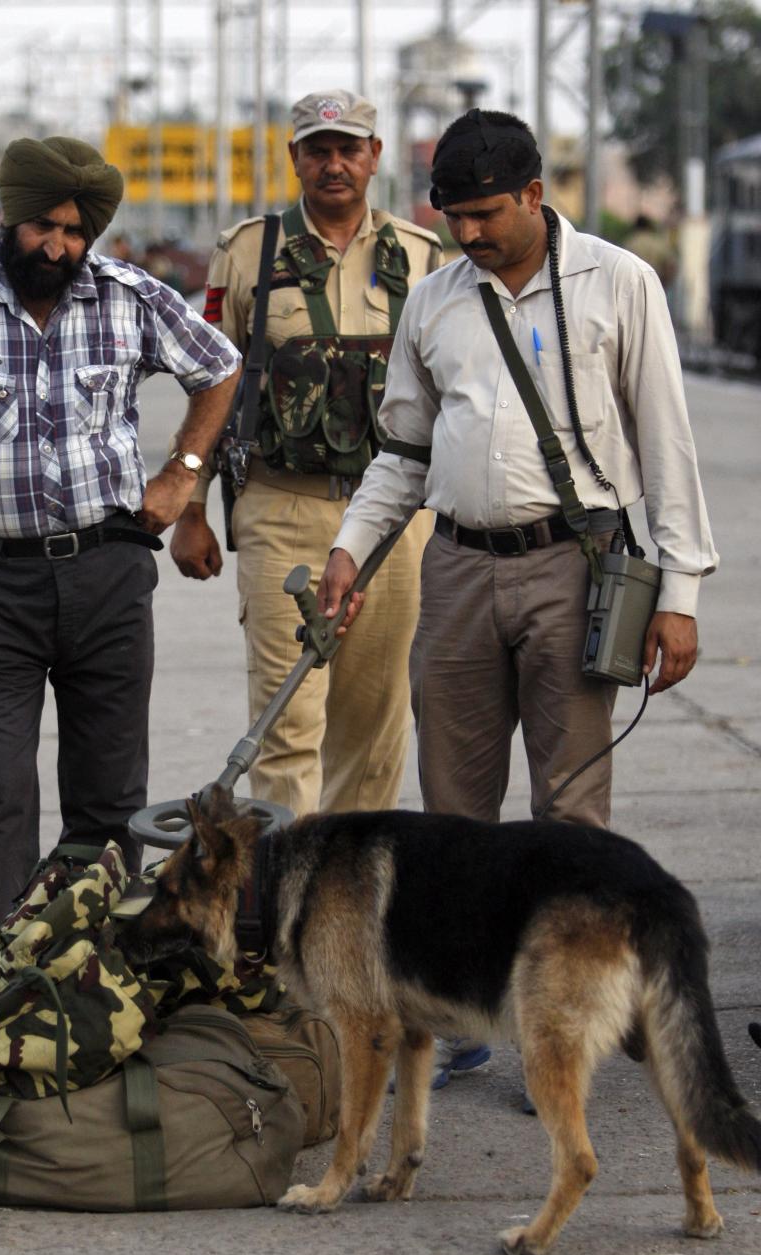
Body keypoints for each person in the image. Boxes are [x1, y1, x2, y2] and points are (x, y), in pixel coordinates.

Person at [318, 108, 717, 1079]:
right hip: (452, 567)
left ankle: (566, 1027)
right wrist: (350, 547)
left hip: (573, 567)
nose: (469, 234)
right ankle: (467, 1009)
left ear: (536, 195)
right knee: (455, 813)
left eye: (488, 213)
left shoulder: (618, 282)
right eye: (453, 216)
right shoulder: (435, 300)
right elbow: (403, 452)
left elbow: (666, 443)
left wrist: (681, 592)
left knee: (571, 810)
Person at [0, 135, 240, 959]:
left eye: (74, 230)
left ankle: (95, 983)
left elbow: (220, 367)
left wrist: (181, 474)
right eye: (44, 227)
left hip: (109, 574)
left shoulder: (131, 296)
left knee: (110, 802)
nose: (59, 246)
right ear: (8, 216)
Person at [171, 89, 443, 819]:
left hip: (392, 525)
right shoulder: (248, 251)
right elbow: (212, 383)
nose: (334, 164)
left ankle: (347, 909)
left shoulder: (420, 259)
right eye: (317, 149)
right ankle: (285, 903)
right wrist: (191, 507)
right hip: (281, 510)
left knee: (376, 727)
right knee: (285, 724)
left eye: (348, 148)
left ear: (374, 157)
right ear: (294, 157)